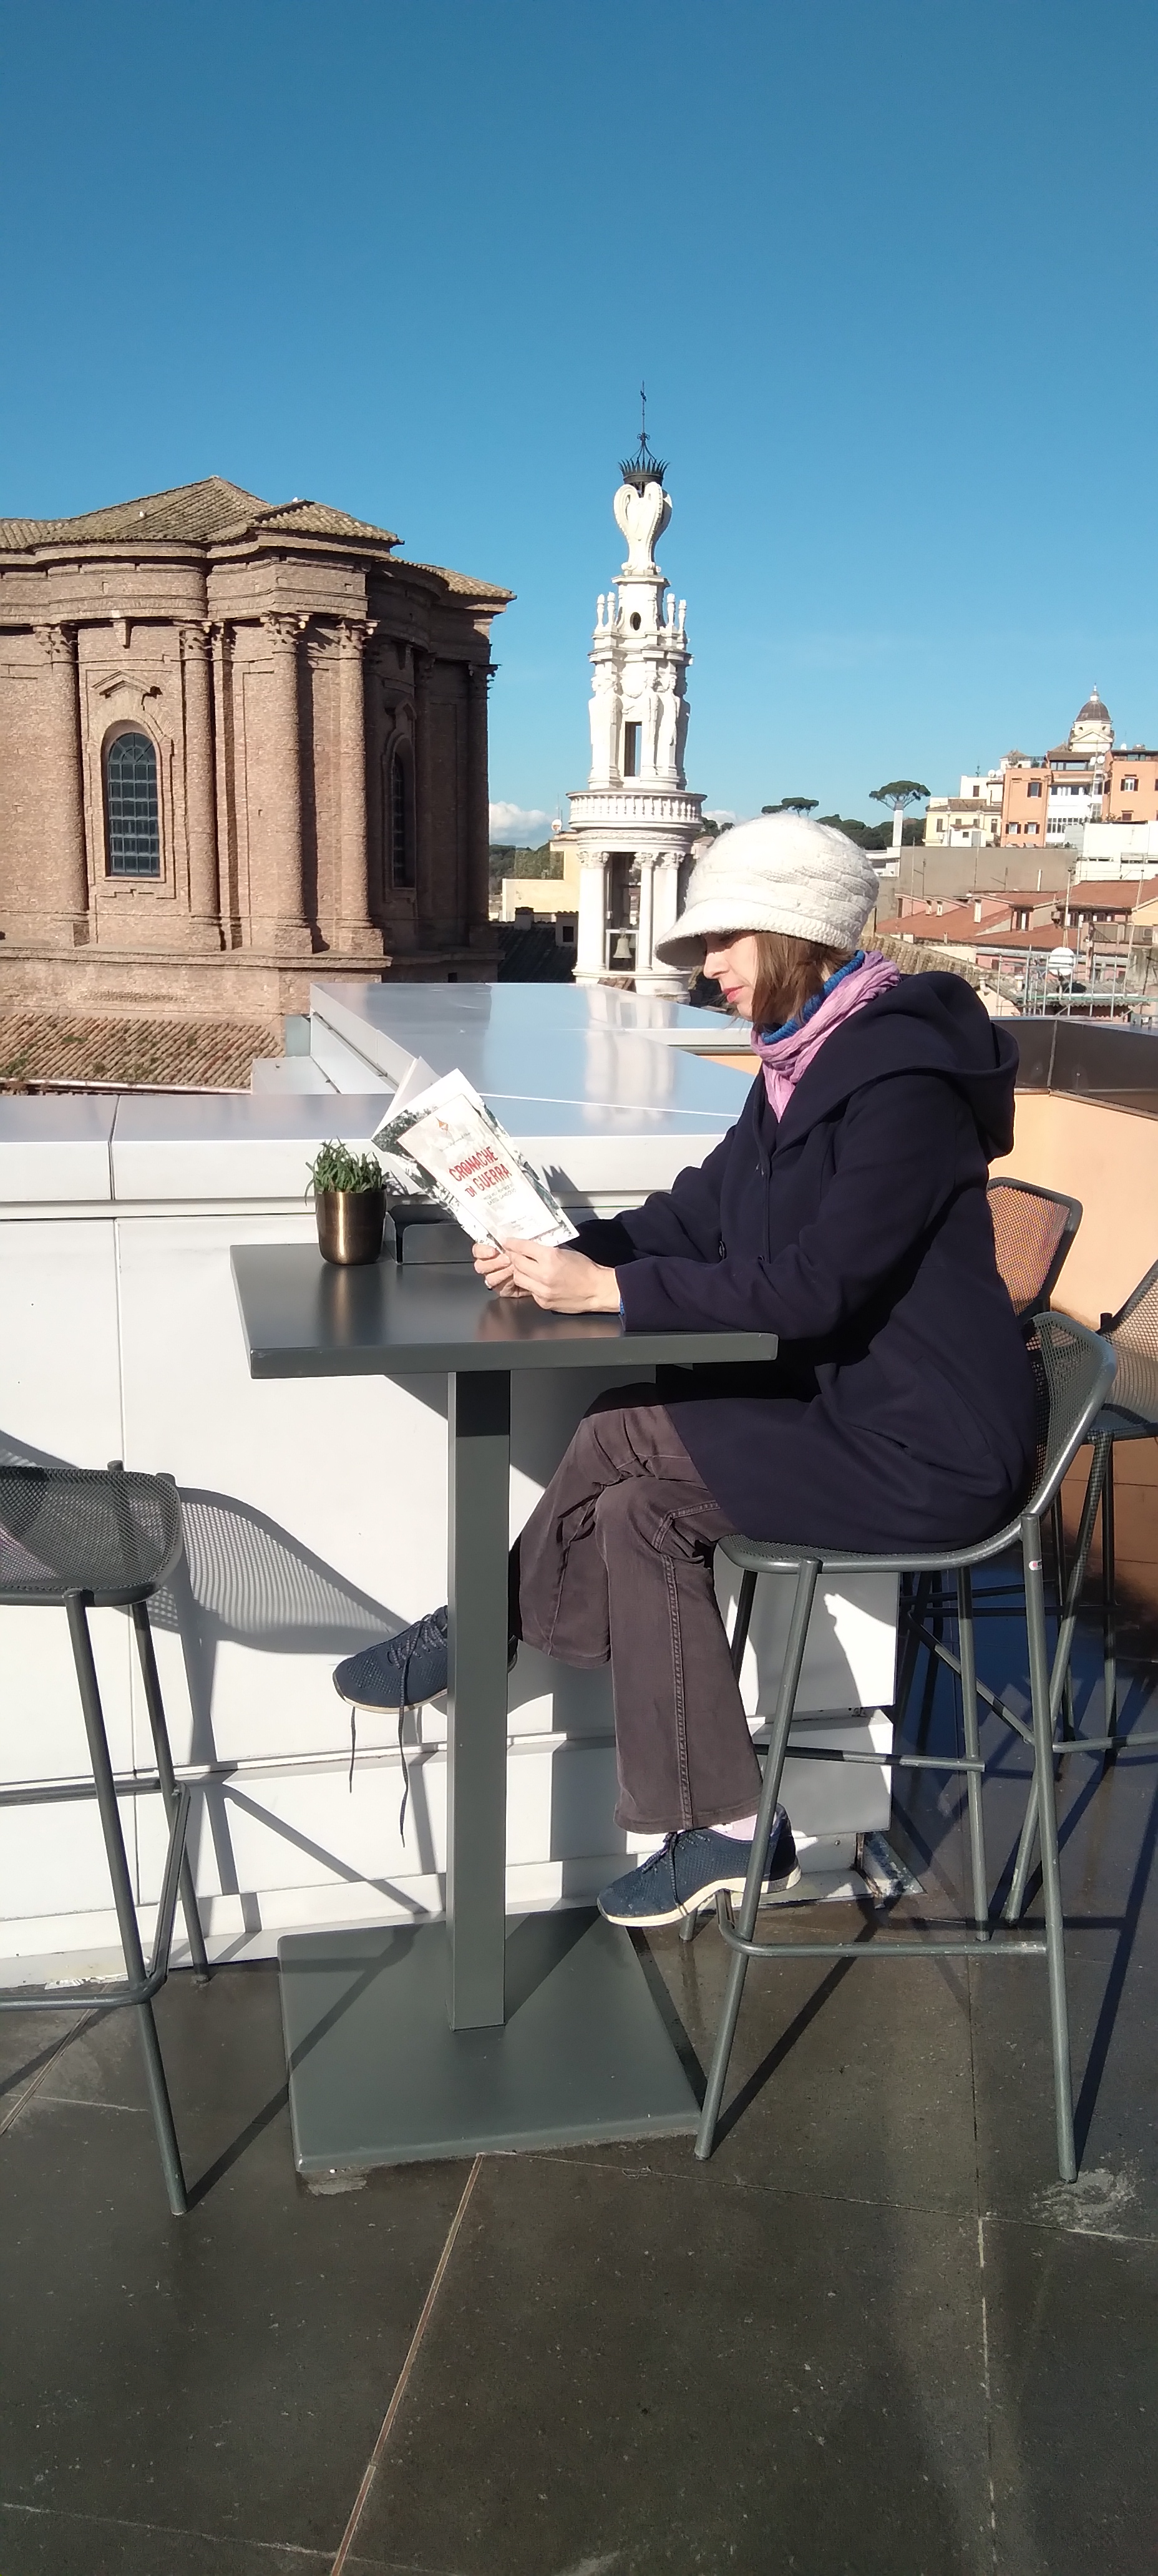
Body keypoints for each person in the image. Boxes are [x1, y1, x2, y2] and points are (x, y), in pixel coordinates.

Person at [334, 814, 1037, 1928]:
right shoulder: (799, 1063)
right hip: (845, 1409)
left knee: (622, 1425)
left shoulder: (901, 1084)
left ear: (793, 932)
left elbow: (820, 1287)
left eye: (720, 944)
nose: (702, 969)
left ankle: (488, 1626)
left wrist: (604, 1296)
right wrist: (571, 1256)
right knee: (638, 1515)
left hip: (930, 1444)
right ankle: (723, 1827)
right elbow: (697, 1214)